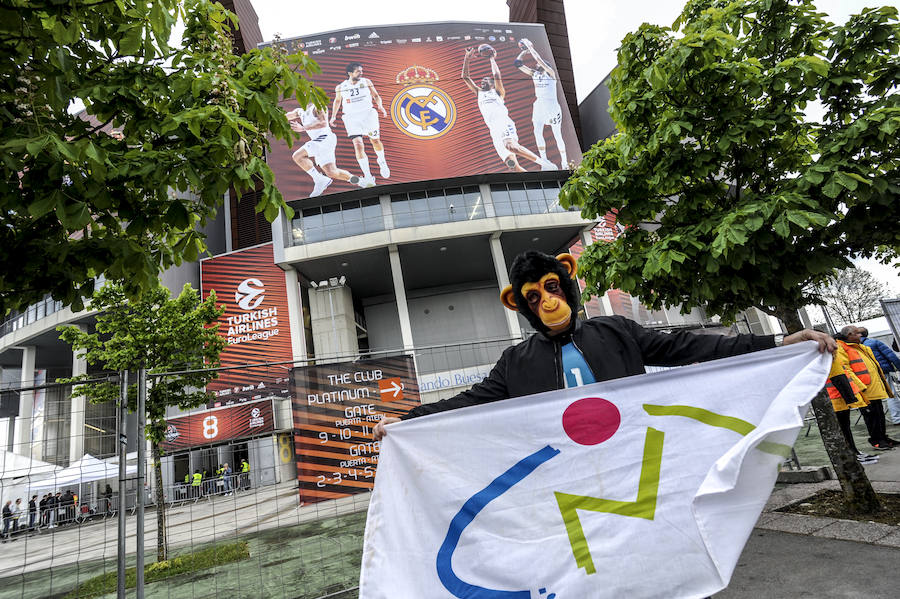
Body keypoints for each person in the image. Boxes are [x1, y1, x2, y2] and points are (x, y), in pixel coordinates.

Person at [375, 251, 835, 440]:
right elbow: (470, 401)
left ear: (567, 282)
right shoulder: (516, 362)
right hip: (566, 469)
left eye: (552, 288)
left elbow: (689, 347)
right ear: (520, 305)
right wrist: (407, 420)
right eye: (534, 298)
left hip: (636, 451)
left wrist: (778, 341)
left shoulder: (615, 330)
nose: (547, 302)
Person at [462, 47, 556, 173]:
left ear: (492, 83)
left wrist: (491, 58)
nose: (483, 81)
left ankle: (546, 165)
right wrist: (467, 59)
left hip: (504, 123)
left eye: (486, 80)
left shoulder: (498, 92)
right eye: (482, 80)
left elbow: (497, 75)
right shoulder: (479, 93)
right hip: (494, 130)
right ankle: (537, 181)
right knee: (513, 167)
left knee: (511, 146)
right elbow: (465, 77)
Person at [286, 104, 374, 196]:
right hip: (321, 141)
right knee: (332, 172)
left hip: (324, 139)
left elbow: (323, 123)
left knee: (297, 156)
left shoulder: (317, 106)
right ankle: (361, 182)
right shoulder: (299, 111)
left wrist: (303, 128)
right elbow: (285, 116)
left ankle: (319, 179)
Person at [330, 62, 390, 183]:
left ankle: (382, 161)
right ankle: (367, 175)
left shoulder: (366, 82)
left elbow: (376, 95)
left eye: (361, 71)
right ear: (350, 73)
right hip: (351, 118)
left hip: (368, 115)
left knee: (375, 141)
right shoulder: (341, 87)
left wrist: (380, 106)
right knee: (358, 145)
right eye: (358, 71)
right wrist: (333, 116)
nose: (361, 73)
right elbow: (337, 101)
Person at [514, 38, 568, 169]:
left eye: (540, 64)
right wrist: (524, 51)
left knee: (557, 135)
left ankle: (565, 163)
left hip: (552, 107)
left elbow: (538, 60)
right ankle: (545, 161)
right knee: (537, 132)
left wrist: (530, 47)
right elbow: (517, 64)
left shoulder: (551, 74)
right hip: (539, 105)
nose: (537, 65)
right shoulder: (535, 74)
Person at [844, 326, 898, 450]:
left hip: (873, 387)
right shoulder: (846, 349)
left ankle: (883, 438)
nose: (860, 336)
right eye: (857, 333)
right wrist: (860, 386)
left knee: (879, 414)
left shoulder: (861, 347)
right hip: (865, 389)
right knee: (871, 416)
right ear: (850, 335)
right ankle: (876, 440)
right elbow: (847, 369)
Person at [859, 327, 900, 425]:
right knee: (891, 394)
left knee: (874, 398)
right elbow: (891, 355)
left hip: (866, 375)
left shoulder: (855, 347)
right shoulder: (875, 342)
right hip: (882, 371)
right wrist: (898, 367)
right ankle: (897, 418)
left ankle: (878, 421)